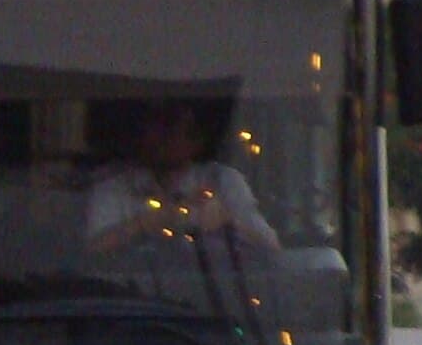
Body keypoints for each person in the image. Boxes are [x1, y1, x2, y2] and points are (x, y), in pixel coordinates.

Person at [84, 100, 280, 259]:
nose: (158, 137)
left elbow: (272, 248)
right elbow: (90, 253)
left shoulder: (222, 181)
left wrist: (228, 221)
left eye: (170, 126)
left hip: (212, 299)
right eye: (153, 125)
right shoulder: (114, 184)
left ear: (197, 141)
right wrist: (146, 223)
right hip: (129, 298)